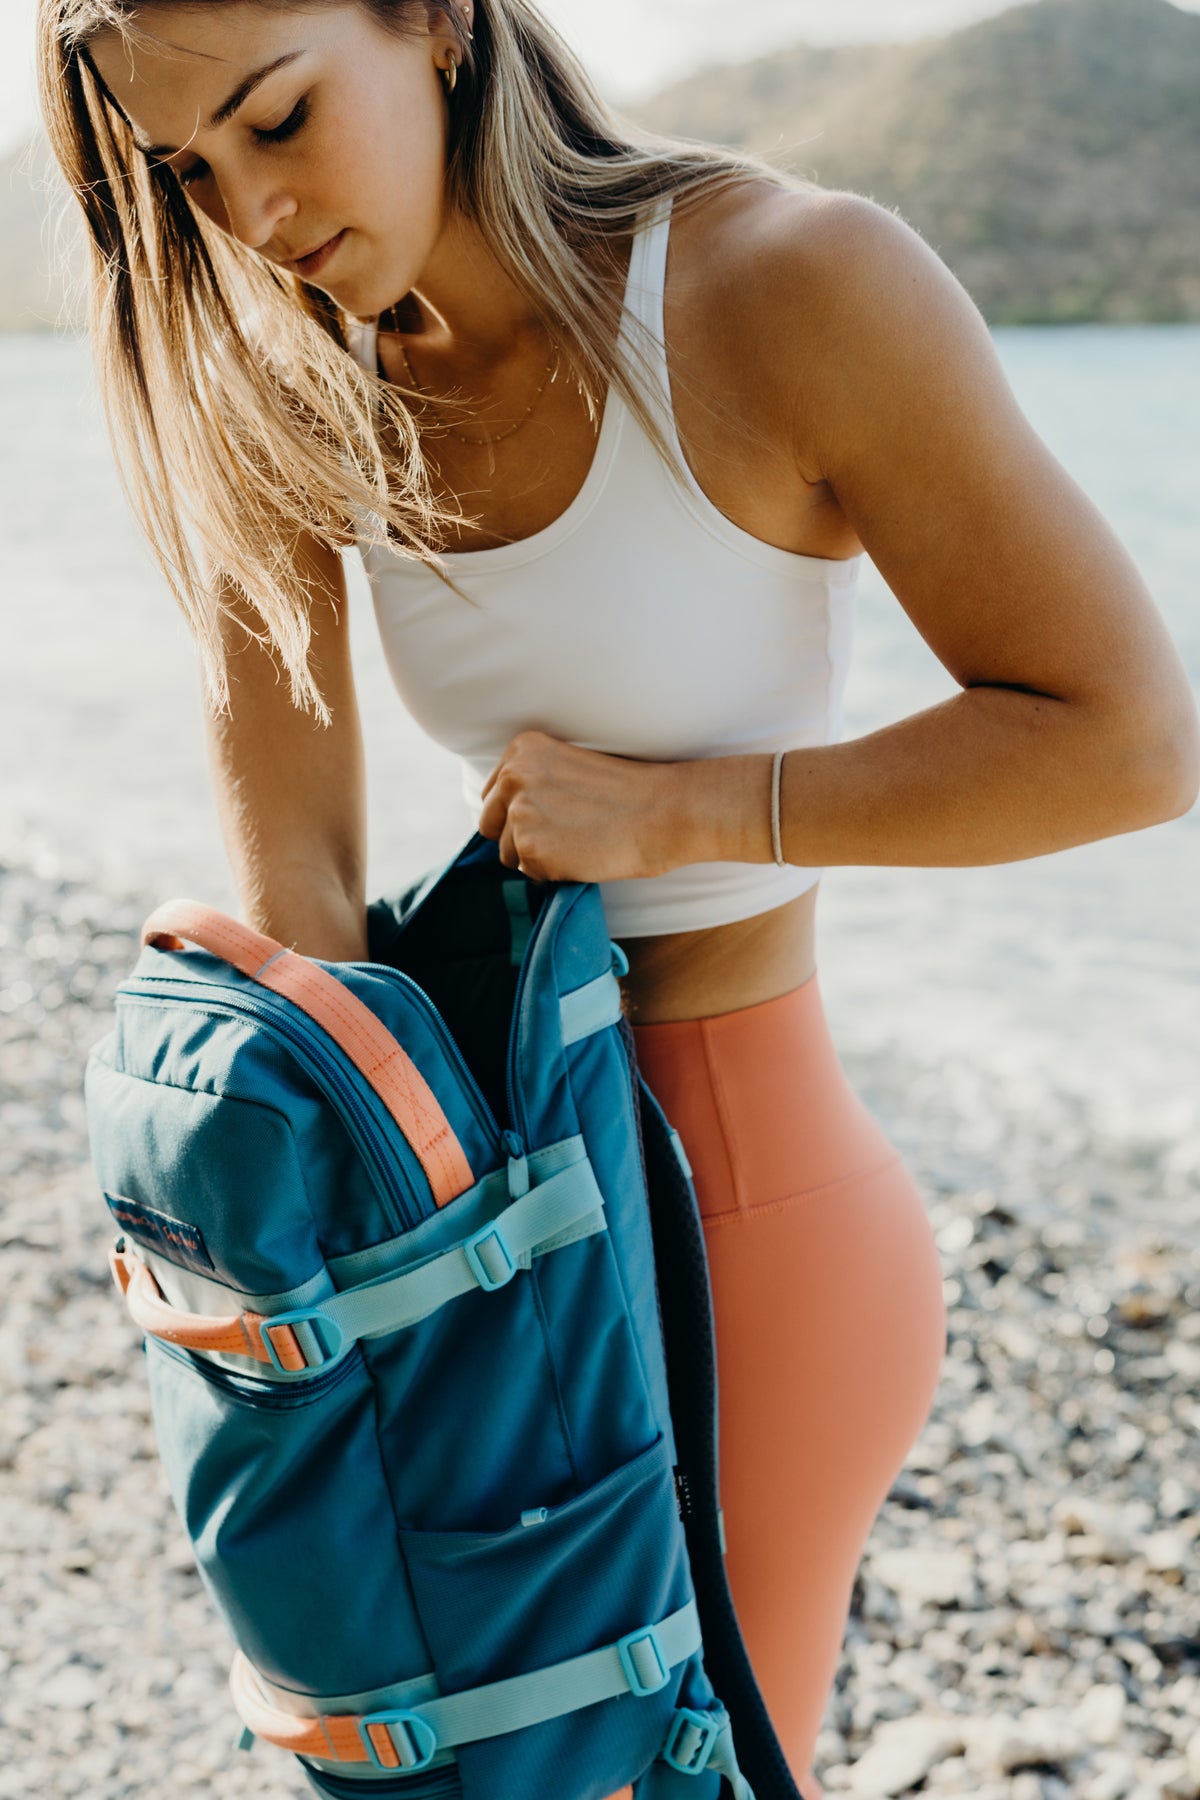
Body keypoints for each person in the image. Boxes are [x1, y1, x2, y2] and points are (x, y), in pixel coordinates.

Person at [39, 0, 1200, 1792]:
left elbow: (1126, 739)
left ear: (429, 21)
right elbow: (310, 905)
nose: (253, 216)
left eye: (278, 120)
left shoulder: (790, 283)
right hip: (475, 1242)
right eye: (190, 173)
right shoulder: (294, 363)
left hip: (753, 1217)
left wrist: (690, 814)